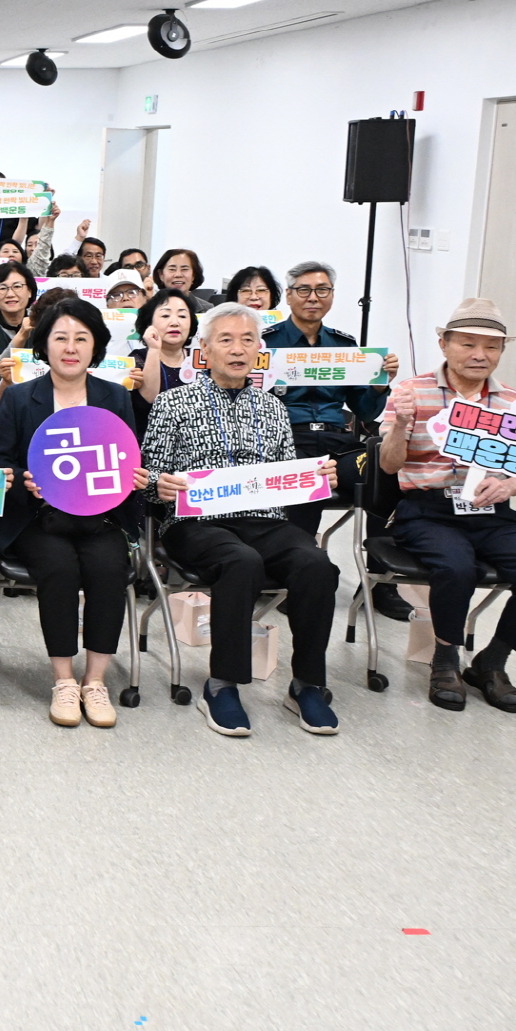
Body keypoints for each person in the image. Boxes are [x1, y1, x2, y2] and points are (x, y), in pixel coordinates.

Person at [141, 302, 342, 738]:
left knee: (317, 565)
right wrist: (159, 484)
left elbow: (287, 478)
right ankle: (222, 685)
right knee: (240, 561)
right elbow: (145, 476)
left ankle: (308, 684)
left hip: (265, 520)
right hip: (196, 522)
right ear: (205, 351)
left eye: (247, 340)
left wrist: (316, 477)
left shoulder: (272, 408)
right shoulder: (173, 403)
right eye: (226, 340)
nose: (237, 349)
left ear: (259, 351)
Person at [378, 299, 516, 713]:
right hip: (427, 509)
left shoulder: (514, 402)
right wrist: (403, 426)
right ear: (444, 343)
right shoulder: (412, 391)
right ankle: (445, 661)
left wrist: (511, 486)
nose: (480, 355)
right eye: (468, 343)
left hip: (490, 513)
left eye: (492, 347)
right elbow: (389, 465)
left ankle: (492, 661)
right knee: (455, 566)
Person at [0, 297, 144, 729]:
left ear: (96, 346)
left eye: (81, 338)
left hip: (101, 517)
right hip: (39, 519)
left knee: (109, 567)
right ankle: (63, 680)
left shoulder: (114, 397)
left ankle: (95, 681)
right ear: (44, 345)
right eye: (61, 338)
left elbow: (128, 458)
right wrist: (24, 479)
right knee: (58, 568)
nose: (71, 347)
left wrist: (135, 479)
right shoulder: (20, 398)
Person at [264, 261, 401, 539]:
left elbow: (364, 411)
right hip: (288, 442)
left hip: (339, 446)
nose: (313, 297)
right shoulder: (265, 344)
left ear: (332, 295)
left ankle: (377, 573)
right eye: (303, 290)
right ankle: (300, 563)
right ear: (288, 296)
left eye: (322, 290)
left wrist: (379, 385)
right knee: (312, 477)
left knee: (385, 472)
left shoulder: (345, 346)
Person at [130, 287, 198, 424]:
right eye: (165, 316)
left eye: (182, 316)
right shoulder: (138, 358)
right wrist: (154, 349)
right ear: (150, 323)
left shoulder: (198, 359)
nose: (174, 322)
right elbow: (148, 401)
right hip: (153, 440)